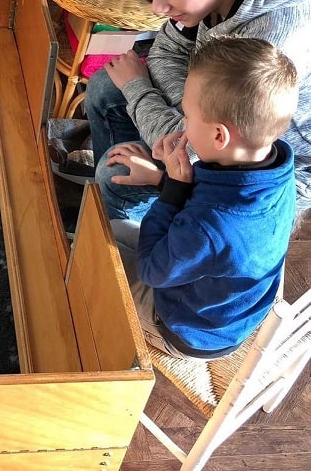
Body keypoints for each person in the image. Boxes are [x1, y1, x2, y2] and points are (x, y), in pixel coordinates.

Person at [83, 0, 311, 228]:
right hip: (209, 112)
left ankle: (130, 243)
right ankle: (107, 212)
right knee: (103, 86)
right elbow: (166, 50)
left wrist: (140, 90)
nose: (158, 8)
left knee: (114, 172)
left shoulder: (272, 42)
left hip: (264, 166)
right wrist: (182, 106)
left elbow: (196, 146)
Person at [111, 37, 298, 359]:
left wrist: (172, 192)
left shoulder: (209, 227)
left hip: (186, 330)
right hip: (227, 310)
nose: (183, 123)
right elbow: (213, 211)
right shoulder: (275, 163)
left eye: (187, 114)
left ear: (219, 136)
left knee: (89, 254)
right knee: (112, 229)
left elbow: (152, 270)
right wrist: (164, 178)